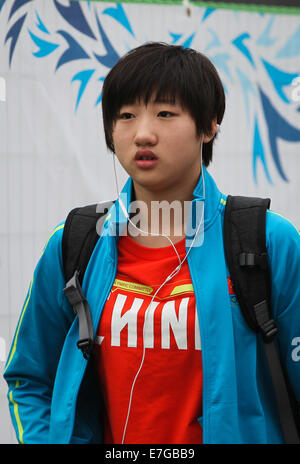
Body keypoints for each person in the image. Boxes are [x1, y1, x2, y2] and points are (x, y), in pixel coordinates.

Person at [3, 42, 300, 445]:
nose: (143, 133)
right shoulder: (75, 243)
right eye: (126, 115)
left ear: (210, 124)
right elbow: (31, 377)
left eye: (165, 113)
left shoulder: (268, 241)